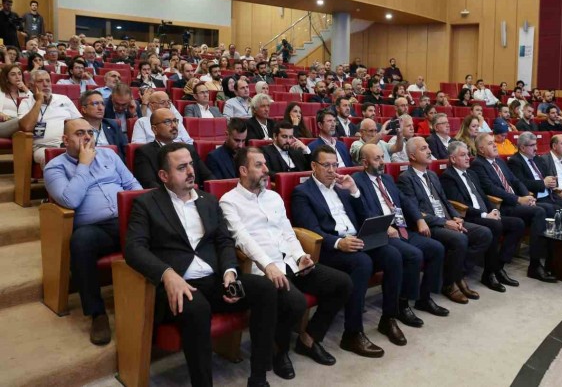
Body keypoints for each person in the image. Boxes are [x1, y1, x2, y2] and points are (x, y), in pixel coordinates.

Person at [125, 143, 278, 387]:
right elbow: (134, 249)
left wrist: (230, 271)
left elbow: (224, 240)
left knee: (265, 289)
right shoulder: (147, 204)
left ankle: (258, 377)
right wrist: (167, 274)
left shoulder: (208, 201)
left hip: (215, 279)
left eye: (191, 165)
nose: (190, 171)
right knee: (197, 309)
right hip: (179, 285)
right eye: (181, 167)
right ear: (163, 175)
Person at [220, 147, 352, 376]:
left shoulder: (273, 197)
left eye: (265, 164)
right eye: (259, 165)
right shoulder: (229, 201)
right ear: (243, 170)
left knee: (342, 284)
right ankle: (279, 351)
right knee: (295, 303)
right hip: (262, 270)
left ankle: (309, 339)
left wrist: (300, 256)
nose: (266, 169)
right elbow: (242, 240)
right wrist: (268, 265)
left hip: (290, 262)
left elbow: (287, 232)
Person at [291, 145, 404, 356]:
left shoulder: (342, 187)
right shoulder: (303, 193)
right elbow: (311, 230)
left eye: (335, 165)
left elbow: (364, 217)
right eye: (326, 165)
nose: (332, 170)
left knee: (393, 256)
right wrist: (338, 243)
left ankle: (388, 318)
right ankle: (352, 333)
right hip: (330, 247)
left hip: (356, 239)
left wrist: (354, 191)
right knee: (362, 263)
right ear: (314, 166)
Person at [45, 118, 142, 345]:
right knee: (81, 241)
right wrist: (84, 165)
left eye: (90, 132)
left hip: (127, 221)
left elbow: (133, 185)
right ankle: (97, 314)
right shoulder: (55, 167)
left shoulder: (109, 155)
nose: (88, 137)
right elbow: (70, 200)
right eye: (80, 133)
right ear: (65, 140)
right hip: (97, 230)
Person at [354, 143, 448, 322]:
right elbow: (362, 210)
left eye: (382, 157)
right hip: (381, 232)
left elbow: (405, 201)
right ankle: (402, 304)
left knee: (436, 248)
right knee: (413, 255)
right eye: (377, 159)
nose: (382, 162)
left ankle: (424, 298)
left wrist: (419, 219)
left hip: (401, 227)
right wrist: (384, 227)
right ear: (365, 163)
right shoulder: (358, 181)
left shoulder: (387, 179)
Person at [397, 137, 493, 303]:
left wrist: (455, 216)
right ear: (412, 156)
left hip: (447, 219)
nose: (429, 151)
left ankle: (456, 274)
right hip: (430, 225)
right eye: (423, 149)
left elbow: (445, 201)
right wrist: (444, 223)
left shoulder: (432, 175)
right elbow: (414, 211)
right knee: (460, 239)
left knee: (484, 233)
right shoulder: (406, 178)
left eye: (428, 147)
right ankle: (449, 284)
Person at [469, 133, 557, 282]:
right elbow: (491, 189)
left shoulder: (499, 161)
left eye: (494, 142)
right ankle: (535, 265)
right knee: (539, 212)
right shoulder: (478, 164)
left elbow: (515, 181)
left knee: (549, 209)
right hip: (502, 205)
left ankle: (549, 259)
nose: (495, 145)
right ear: (481, 150)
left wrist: (527, 197)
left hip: (515, 201)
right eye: (490, 143)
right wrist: (518, 199)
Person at [440, 141, 525, 290]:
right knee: (495, 225)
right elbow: (459, 204)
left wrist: (493, 210)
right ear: (453, 159)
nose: (468, 158)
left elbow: (483, 196)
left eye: (468, 154)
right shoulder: (448, 176)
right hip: (469, 216)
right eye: (463, 155)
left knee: (517, 224)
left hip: (485, 214)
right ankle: (489, 273)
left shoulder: (471, 173)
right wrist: (485, 215)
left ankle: (498, 266)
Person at [133, 109, 214, 189]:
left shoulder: (188, 149)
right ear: (155, 129)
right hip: (165, 196)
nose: (174, 125)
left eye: (175, 121)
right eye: (167, 122)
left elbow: (208, 177)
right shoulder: (144, 152)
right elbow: (150, 184)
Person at [507, 132, 562, 213]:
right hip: (536, 198)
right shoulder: (515, 161)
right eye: (532, 145)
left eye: (536, 144)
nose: (536, 148)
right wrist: (543, 183)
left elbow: (547, 176)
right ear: (522, 148)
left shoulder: (537, 158)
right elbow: (521, 183)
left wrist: (552, 182)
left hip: (551, 195)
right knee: (557, 210)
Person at [18, 70, 82, 165]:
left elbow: (80, 123)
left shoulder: (64, 99)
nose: (45, 84)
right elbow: (27, 127)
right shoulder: (26, 103)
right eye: (40, 81)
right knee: (52, 159)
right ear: (31, 86)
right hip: (43, 147)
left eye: (48, 81)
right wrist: (39, 101)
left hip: (69, 145)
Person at [79, 90, 127, 159]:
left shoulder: (113, 125)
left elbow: (125, 151)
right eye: (95, 104)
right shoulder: (77, 128)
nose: (100, 108)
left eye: (102, 104)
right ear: (84, 109)